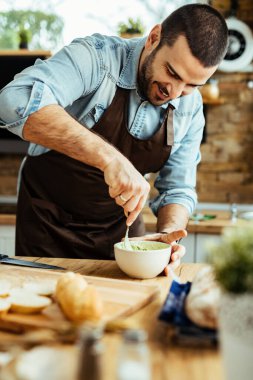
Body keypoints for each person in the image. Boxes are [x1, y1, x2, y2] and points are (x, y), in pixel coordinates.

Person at [0, 4, 228, 272]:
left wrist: (169, 236)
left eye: (192, 85)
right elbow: (12, 100)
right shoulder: (96, 58)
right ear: (154, 37)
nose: (175, 92)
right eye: (172, 73)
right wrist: (109, 159)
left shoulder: (190, 108)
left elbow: (177, 189)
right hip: (47, 230)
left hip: (122, 237)